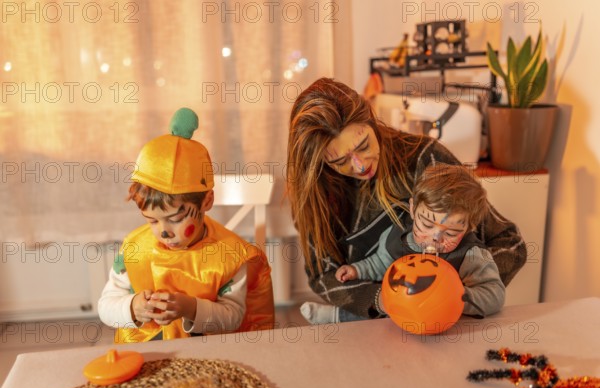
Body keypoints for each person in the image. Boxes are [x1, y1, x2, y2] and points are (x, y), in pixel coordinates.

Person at [286, 77, 526, 322]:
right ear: (319, 162)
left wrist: (453, 294)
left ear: (371, 118)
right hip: (369, 331)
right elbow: (323, 277)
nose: (359, 165)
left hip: (443, 325)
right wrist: (385, 300)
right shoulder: (313, 197)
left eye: (363, 145)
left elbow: (511, 245)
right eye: (340, 161)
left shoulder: (425, 159)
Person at [98, 108, 274, 343]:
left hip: (206, 355)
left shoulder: (231, 257)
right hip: (146, 354)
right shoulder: (135, 251)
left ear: (207, 202)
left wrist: (192, 308)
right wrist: (131, 308)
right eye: (151, 220)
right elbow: (106, 306)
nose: (163, 231)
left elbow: (233, 317)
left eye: (176, 219)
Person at [301, 164, 505, 324]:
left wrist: (458, 297)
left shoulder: (472, 254)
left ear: (469, 227)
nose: (435, 238)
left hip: (444, 323)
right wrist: (356, 269)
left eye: (451, 233)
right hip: (401, 314)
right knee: (381, 313)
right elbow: (380, 263)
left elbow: (495, 295)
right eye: (426, 224)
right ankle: (337, 317)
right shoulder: (398, 235)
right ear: (413, 209)